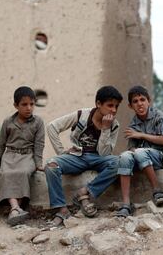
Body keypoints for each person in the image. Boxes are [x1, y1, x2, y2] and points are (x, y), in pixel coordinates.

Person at [44, 86, 123, 227]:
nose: (114, 110)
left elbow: (105, 153)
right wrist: (61, 152)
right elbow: (52, 127)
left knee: (120, 161)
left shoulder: (114, 125)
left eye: (116, 106)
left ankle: (85, 192)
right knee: (51, 165)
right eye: (110, 105)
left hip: (99, 158)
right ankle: (61, 209)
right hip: (78, 157)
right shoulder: (81, 115)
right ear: (98, 104)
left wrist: (105, 128)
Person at [0, 86, 45, 226]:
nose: (29, 108)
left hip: (27, 156)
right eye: (24, 104)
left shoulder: (38, 122)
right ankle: (15, 208)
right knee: (7, 172)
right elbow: (1, 144)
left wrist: (38, 164)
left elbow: (39, 145)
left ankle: (14, 210)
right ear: (16, 105)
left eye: (32, 104)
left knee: (23, 172)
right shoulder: (8, 122)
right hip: (10, 156)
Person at [115, 85, 163, 217]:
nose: (139, 104)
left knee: (140, 152)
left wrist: (141, 135)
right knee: (124, 156)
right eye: (135, 101)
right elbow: (132, 148)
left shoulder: (158, 116)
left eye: (142, 100)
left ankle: (158, 191)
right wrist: (132, 151)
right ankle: (126, 204)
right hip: (141, 160)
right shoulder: (133, 124)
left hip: (159, 157)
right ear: (130, 106)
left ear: (148, 101)